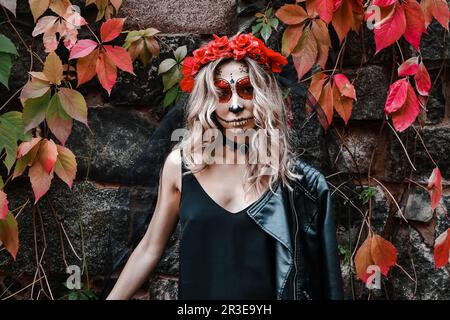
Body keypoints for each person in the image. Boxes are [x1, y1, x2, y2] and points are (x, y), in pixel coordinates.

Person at [106, 33, 343, 300]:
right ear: (207, 100)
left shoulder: (294, 181)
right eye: (221, 92)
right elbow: (150, 248)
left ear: (263, 95)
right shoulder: (182, 167)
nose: (234, 105)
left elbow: (325, 280)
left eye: (246, 89)